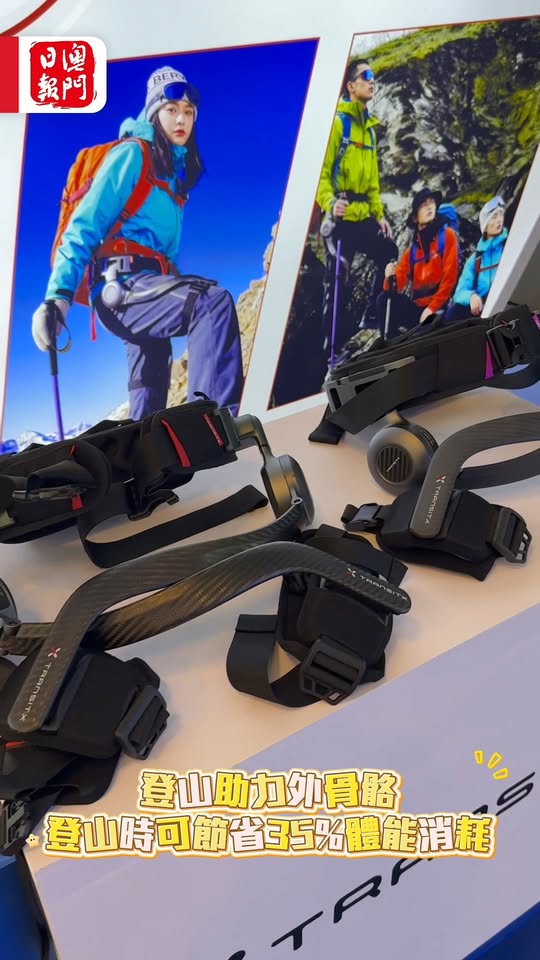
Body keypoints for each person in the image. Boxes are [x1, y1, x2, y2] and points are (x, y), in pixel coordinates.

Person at [31, 65, 245, 421]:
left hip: (147, 290)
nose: (181, 119)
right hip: (121, 288)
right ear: (154, 113)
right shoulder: (132, 154)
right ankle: (213, 430)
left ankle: (146, 454)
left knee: (149, 391)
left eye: (189, 112)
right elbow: (84, 226)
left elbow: (167, 258)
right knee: (211, 303)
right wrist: (57, 299)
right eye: (171, 109)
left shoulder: (173, 183)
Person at [316, 58, 398, 339]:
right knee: (337, 281)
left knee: (388, 252)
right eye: (366, 75)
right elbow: (320, 173)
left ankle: (372, 315)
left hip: (362, 215)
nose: (372, 80)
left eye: (373, 76)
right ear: (351, 86)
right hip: (340, 218)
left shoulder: (370, 132)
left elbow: (373, 182)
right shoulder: (338, 124)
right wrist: (330, 203)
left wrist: (379, 215)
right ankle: (332, 347)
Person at [376, 186, 459, 338]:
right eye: (423, 204)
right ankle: (390, 343)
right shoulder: (412, 252)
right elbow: (395, 286)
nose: (429, 206)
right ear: (415, 218)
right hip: (418, 310)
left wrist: (431, 308)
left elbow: (450, 279)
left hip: (440, 308)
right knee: (384, 299)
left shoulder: (447, 236)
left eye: (431, 202)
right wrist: (388, 277)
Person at [444, 196, 508, 323]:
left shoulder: (510, 245)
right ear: (485, 226)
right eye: (494, 216)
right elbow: (460, 293)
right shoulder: (474, 261)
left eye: (500, 215)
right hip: (488, 312)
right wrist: (471, 297)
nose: (499, 220)